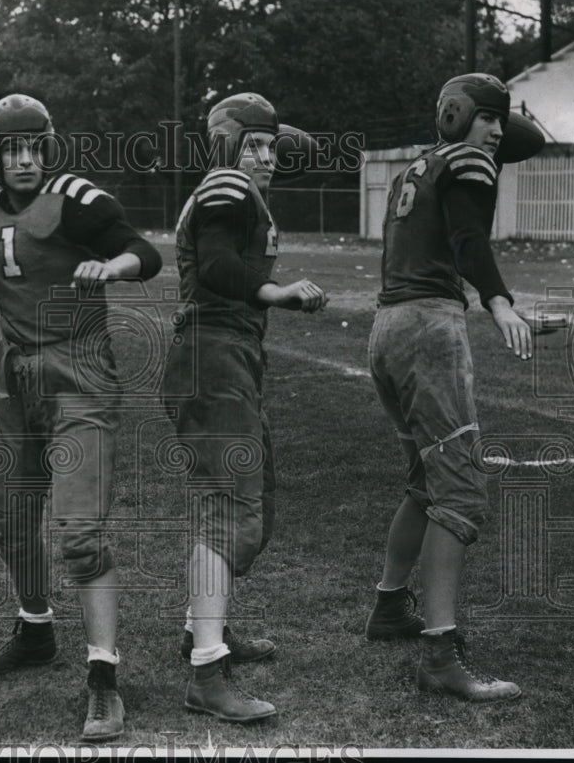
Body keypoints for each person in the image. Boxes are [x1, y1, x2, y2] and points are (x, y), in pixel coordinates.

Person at [0, 94, 162, 741]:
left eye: (31, 146)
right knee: (13, 518)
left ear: (48, 146)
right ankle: (34, 628)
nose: (22, 159)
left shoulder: (76, 198)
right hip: (15, 376)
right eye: (9, 148)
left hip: (79, 372)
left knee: (78, 532)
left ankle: (104, 678)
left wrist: (114, 265)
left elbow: (143, 251)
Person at [364, 72, 532, 702]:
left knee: (424, 480)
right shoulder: (467, 160)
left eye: (500, 120)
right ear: (459, 114)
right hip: (428, 329)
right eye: (488, 116)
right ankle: (439, 655)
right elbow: (468, 240)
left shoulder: (418, 165)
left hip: (386, 327)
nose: (496, 130)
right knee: (461, 493)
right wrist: (499, 301)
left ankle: (389, 607)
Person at [161, 92, 328, 721]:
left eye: (271, 145)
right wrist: (277, 293)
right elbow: (218, 266)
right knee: (228, 508)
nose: (269, 157)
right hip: (213, 352)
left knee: (247, 504)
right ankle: (206, 671)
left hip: (229, 355)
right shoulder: (225, 184)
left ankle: (201, 630)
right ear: (228, 144)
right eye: (255, 144)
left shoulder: (237, 187)